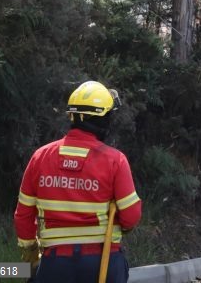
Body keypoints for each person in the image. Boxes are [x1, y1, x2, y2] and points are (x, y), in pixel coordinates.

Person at [14, 81, 142, 283]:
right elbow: (131, 216)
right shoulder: (115, 160)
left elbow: (23, 215)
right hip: (103, 262)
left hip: (54, 265)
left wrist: (31, 256)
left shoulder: (41, 157)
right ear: (104, 120)